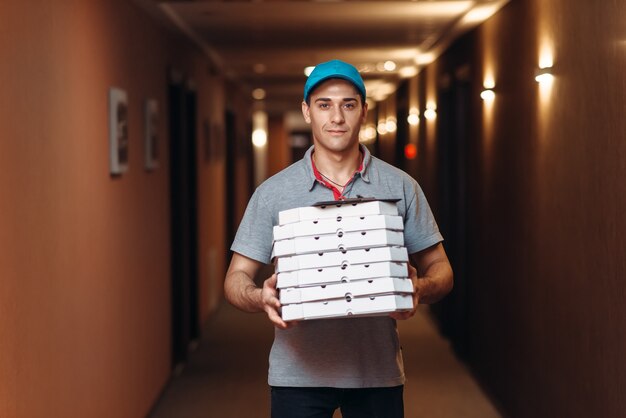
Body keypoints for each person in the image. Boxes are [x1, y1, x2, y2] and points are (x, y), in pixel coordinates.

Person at [224, 59, 453, 418]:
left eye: (348, 104)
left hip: (376, 373)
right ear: (307, 111)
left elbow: (441, 268)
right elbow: (235, 278)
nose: (337, 117)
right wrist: (259, 297)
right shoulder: (273, 193)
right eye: (324, 105)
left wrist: (419, 289)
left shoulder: (401, 186)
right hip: (296, 377)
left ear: (363, 111)